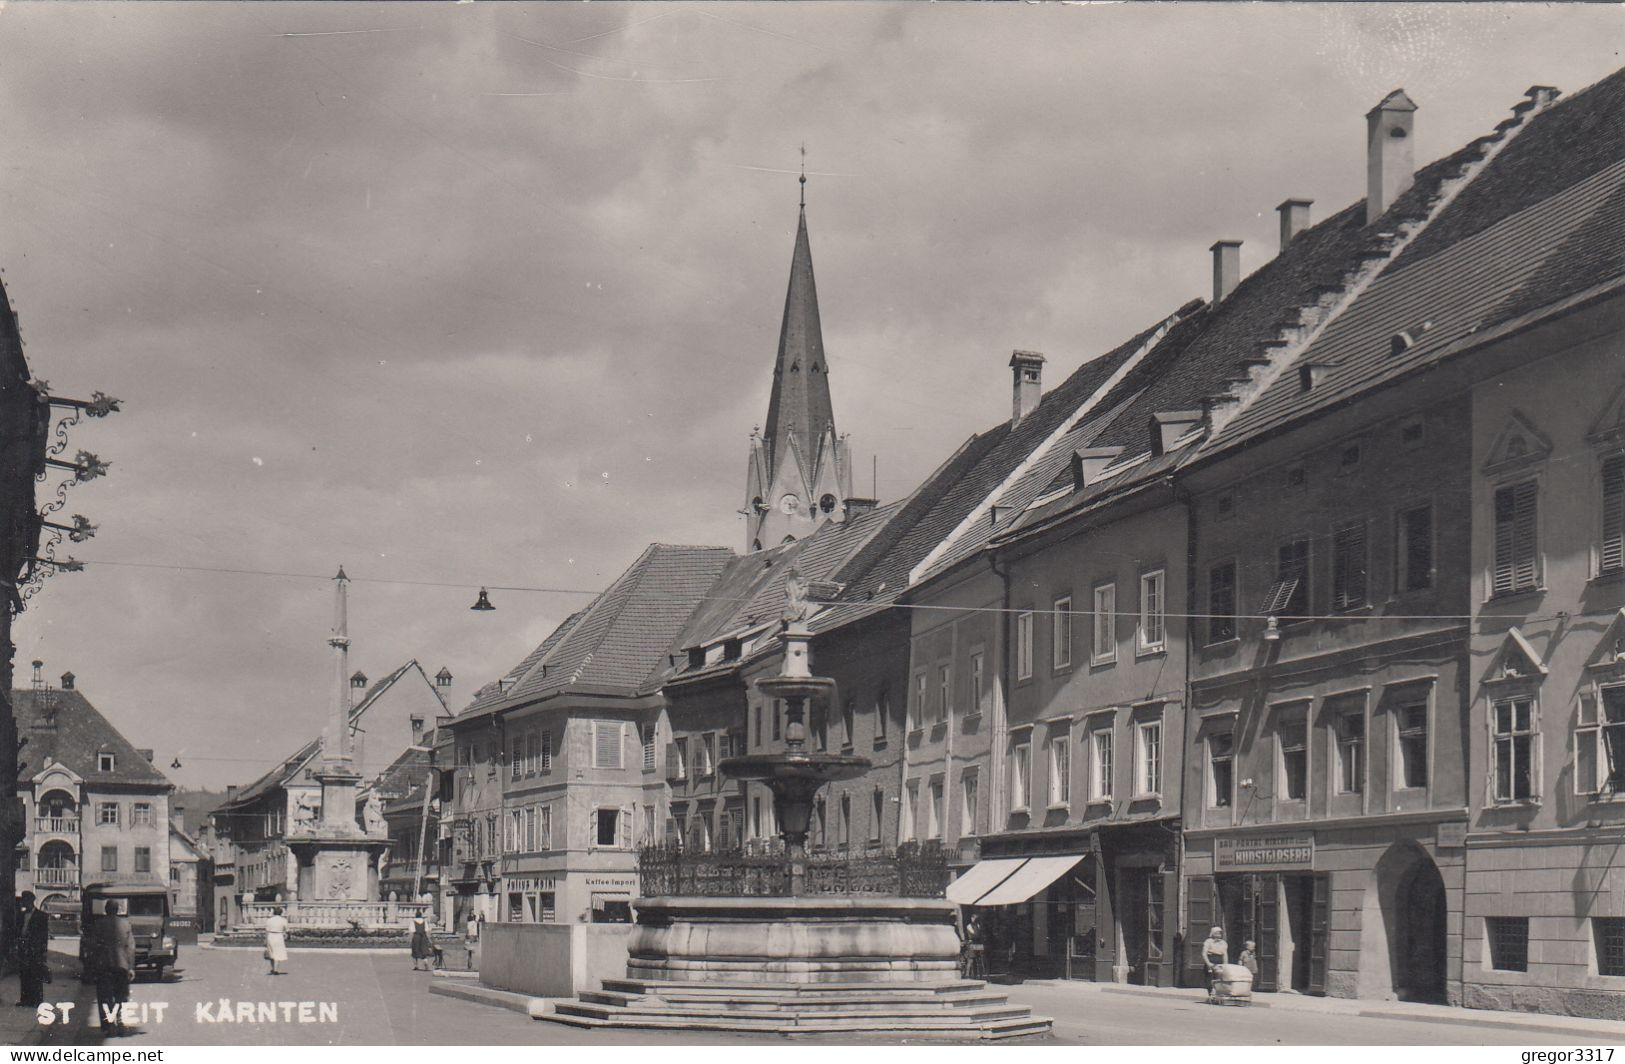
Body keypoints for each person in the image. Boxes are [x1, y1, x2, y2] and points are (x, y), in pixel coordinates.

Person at [93, 900, 134, 1037]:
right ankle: (120, 1023)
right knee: (120, 995)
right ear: (117, 910)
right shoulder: (126, 924)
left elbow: (93, 946)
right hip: (121, 966)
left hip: (103, 965)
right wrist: (131, 967)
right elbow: (130, 948)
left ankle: (109, 1026)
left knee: (105, 997)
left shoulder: (98, 924)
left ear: (106, 909)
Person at [14, 892, 49, 1007]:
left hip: (35, 949)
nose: (23, 903)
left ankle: (36, 1001)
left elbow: (44, 936)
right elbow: (18, 931)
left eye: (25, 901)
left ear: (31, 901)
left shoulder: (42, 916)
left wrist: (43, 951)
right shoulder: (21, 915)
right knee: (24, 974)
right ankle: (25, 1000)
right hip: (23, 948)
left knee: (35, 974)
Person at [1200, 925, 1228, 992]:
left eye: (1220, 933)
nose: (1218, 935)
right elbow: (1204, 953)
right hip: (1211, 959)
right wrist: (1208, 963)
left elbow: (1225, 954)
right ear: (1213, 933)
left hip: (1219, 960)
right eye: (1217, 933)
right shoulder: (1208, 941)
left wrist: (1225, 965)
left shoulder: (1223, 943)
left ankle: (1218, 994)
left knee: (1219, 979)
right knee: (1210, 978)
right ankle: (1211, 994)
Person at [263, 906, 288, 975]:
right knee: (278, 952)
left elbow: (267, 930)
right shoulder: (283, 920)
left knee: (271, 952)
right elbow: (286, 929)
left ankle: (273, 968)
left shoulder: (269, 920)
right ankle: (276, 969)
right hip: (279, 936)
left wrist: (265, 939)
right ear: (281, 913)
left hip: (271, 935)